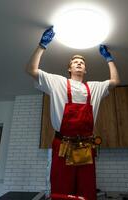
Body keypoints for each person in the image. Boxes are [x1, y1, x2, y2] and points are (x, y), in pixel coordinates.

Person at [26, 26, 120, 200]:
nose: (79, 63)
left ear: (85, 70)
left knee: (87, 189)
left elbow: (115, 81)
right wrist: (42, 45)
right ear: (69, 68)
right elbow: (31, 70)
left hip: (86, 146)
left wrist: (109, 59)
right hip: (63, 144)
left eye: (82, 63)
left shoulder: (94, 87)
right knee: (61, 188)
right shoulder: (57, 82)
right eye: (75, 62)